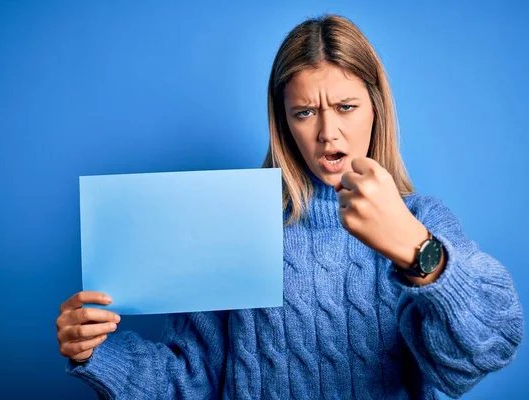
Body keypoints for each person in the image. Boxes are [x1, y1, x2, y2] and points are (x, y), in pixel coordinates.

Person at [56, 14, 524, 399]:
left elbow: (488, 349)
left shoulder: (421, 219)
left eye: (345, 107)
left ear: (376, 108)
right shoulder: (233, 221)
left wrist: (418, 253)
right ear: (283, 122)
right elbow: (189, 383)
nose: (327, 133)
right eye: (305, 112)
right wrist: (94, 351)